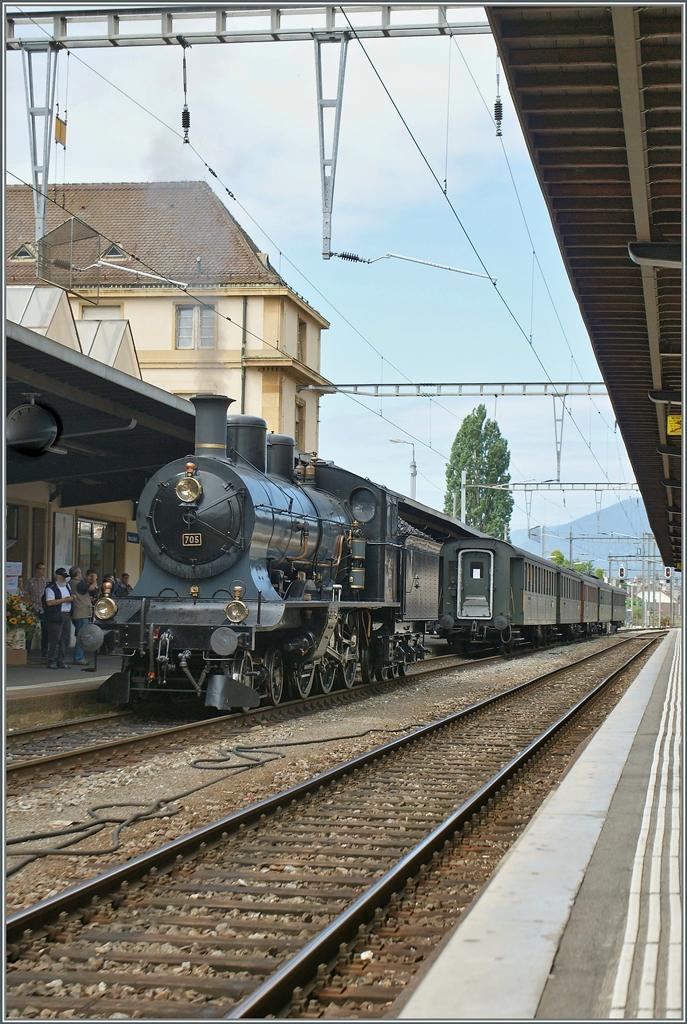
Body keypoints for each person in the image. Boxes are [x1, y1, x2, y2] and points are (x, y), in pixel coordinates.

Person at [43, 568, 73, 669]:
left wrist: (72, 598)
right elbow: (49, 602)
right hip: (56, 615)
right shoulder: (51, 588)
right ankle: (52, 660)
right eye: (62, 577)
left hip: (66, 614)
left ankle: (61, 660)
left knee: (65, 639)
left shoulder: (67, 586)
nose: (64, 579)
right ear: (57, 577)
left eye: (65, 577)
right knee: (55, 639)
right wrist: (64, 600)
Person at [69, 566, 92, 665]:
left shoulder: (70, 583)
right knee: (81, 636)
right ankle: (79, 657)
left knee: (79, 634)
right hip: (82, 613)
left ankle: (78, 656)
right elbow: (92, 587)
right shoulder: (79, 584)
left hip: (76, 612)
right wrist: (94, 579)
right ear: (78, 574)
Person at [26, 561, 49, 660]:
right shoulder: (30, 581)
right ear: (37, 570)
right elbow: (25, 593)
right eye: (41, 569)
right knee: (31, 629)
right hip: (34, 606)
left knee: (45, 629)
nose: (43, 571)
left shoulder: (47, 581)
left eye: (44, 569)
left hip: (44, 607)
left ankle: (45, 650)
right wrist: (30, 603)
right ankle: (27, 651)